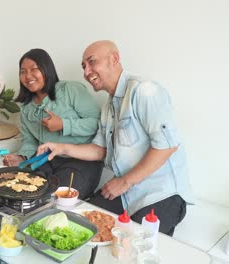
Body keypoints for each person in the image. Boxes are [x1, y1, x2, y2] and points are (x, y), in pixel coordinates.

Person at [37, 40, 194, 235]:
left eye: (92, 62)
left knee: (130, 241)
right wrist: (61, 148)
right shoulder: (108, 107)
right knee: (77, 224)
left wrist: (125, 181)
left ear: (114, 59)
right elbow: (100, 150)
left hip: (161, 195)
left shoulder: (144, 91)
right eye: (84, 66)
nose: (86, 72)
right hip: (126, 192)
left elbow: (167, 146)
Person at [3, 48, 102, 199]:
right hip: (46, 160)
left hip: (80, 160)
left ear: (47, 69)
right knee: (24, 190)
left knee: (56, 198)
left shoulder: (70, 90)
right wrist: (22, 157)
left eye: (34, 69)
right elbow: (30, 141)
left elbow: (97, 124)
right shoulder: (26, 107)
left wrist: (63, 124)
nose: (27, 75)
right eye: (22, 71)